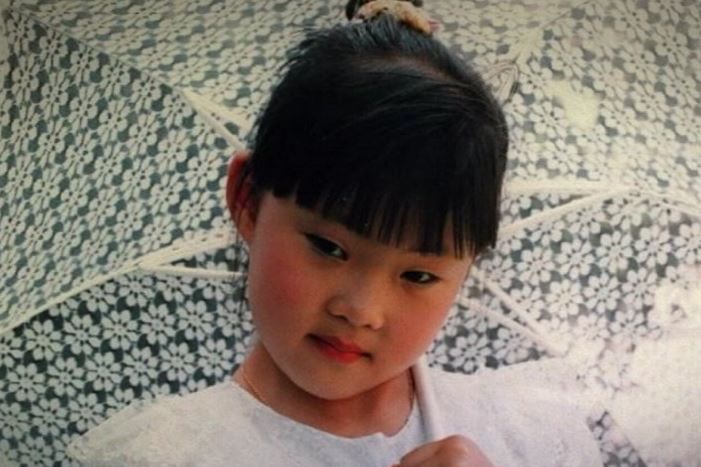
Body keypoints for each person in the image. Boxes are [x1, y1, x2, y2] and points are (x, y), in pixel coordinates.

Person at [67, 9, 602, 467]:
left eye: (418, 274)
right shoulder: (155, 455)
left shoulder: (532, 438)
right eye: (329, 247)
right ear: (248, 199)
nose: (362, 310)